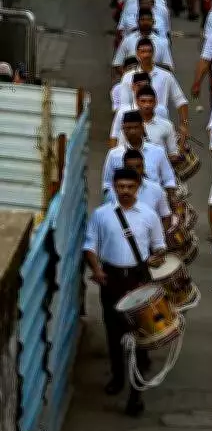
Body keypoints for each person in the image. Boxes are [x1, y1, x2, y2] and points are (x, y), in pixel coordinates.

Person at [83, 167, 166, 416]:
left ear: (138, 187)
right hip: (112, 279)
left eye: (130, 187)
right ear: (114, 188)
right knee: (114, 331)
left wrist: (155, 259)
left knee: (141, 335)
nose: (125, 191)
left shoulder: (149, 216)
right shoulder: (101, 215)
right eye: (121, 187)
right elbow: (90, 245)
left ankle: (136, 394)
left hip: (139, 279)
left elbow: (159, 247)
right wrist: (97, 270)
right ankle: (118, 376)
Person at [119, 38, 189, 127]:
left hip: (161, 123)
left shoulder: (166, 75)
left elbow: (181, 101)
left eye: (149, 51)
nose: (146, 55)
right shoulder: (128, 77)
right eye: (143, 52)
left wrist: (184, 125)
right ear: (137, 54)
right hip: (135, 125)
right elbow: (124, 106)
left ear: (153, 53)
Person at [104, 149, 172, 230]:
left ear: (143, 167)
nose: (135, 170)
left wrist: (159, 237)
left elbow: (166, 216)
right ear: (124, 167)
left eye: (138, 166)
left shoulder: (156, 189)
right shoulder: (113, 192)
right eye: (130, 167)